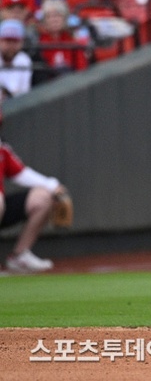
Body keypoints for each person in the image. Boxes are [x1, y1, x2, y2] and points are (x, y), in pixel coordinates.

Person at [0, 128, 68, 273]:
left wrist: (52, 186)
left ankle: (19, 257)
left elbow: (19, 172)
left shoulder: (2, 145)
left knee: (43, 197)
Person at [36, 0, 89, 78]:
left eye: (57, 15)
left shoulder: (73, 42)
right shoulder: (39, 44)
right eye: (49, 17)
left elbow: (82, 70)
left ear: (65, 19)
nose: (53, 20)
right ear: (44, 21)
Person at [0, 19, 32, 102]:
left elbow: (24, 93)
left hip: (16, 107)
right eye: (7, 41)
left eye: (15, 41)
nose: (11, 45)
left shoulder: (24, 60)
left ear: (21, 42)